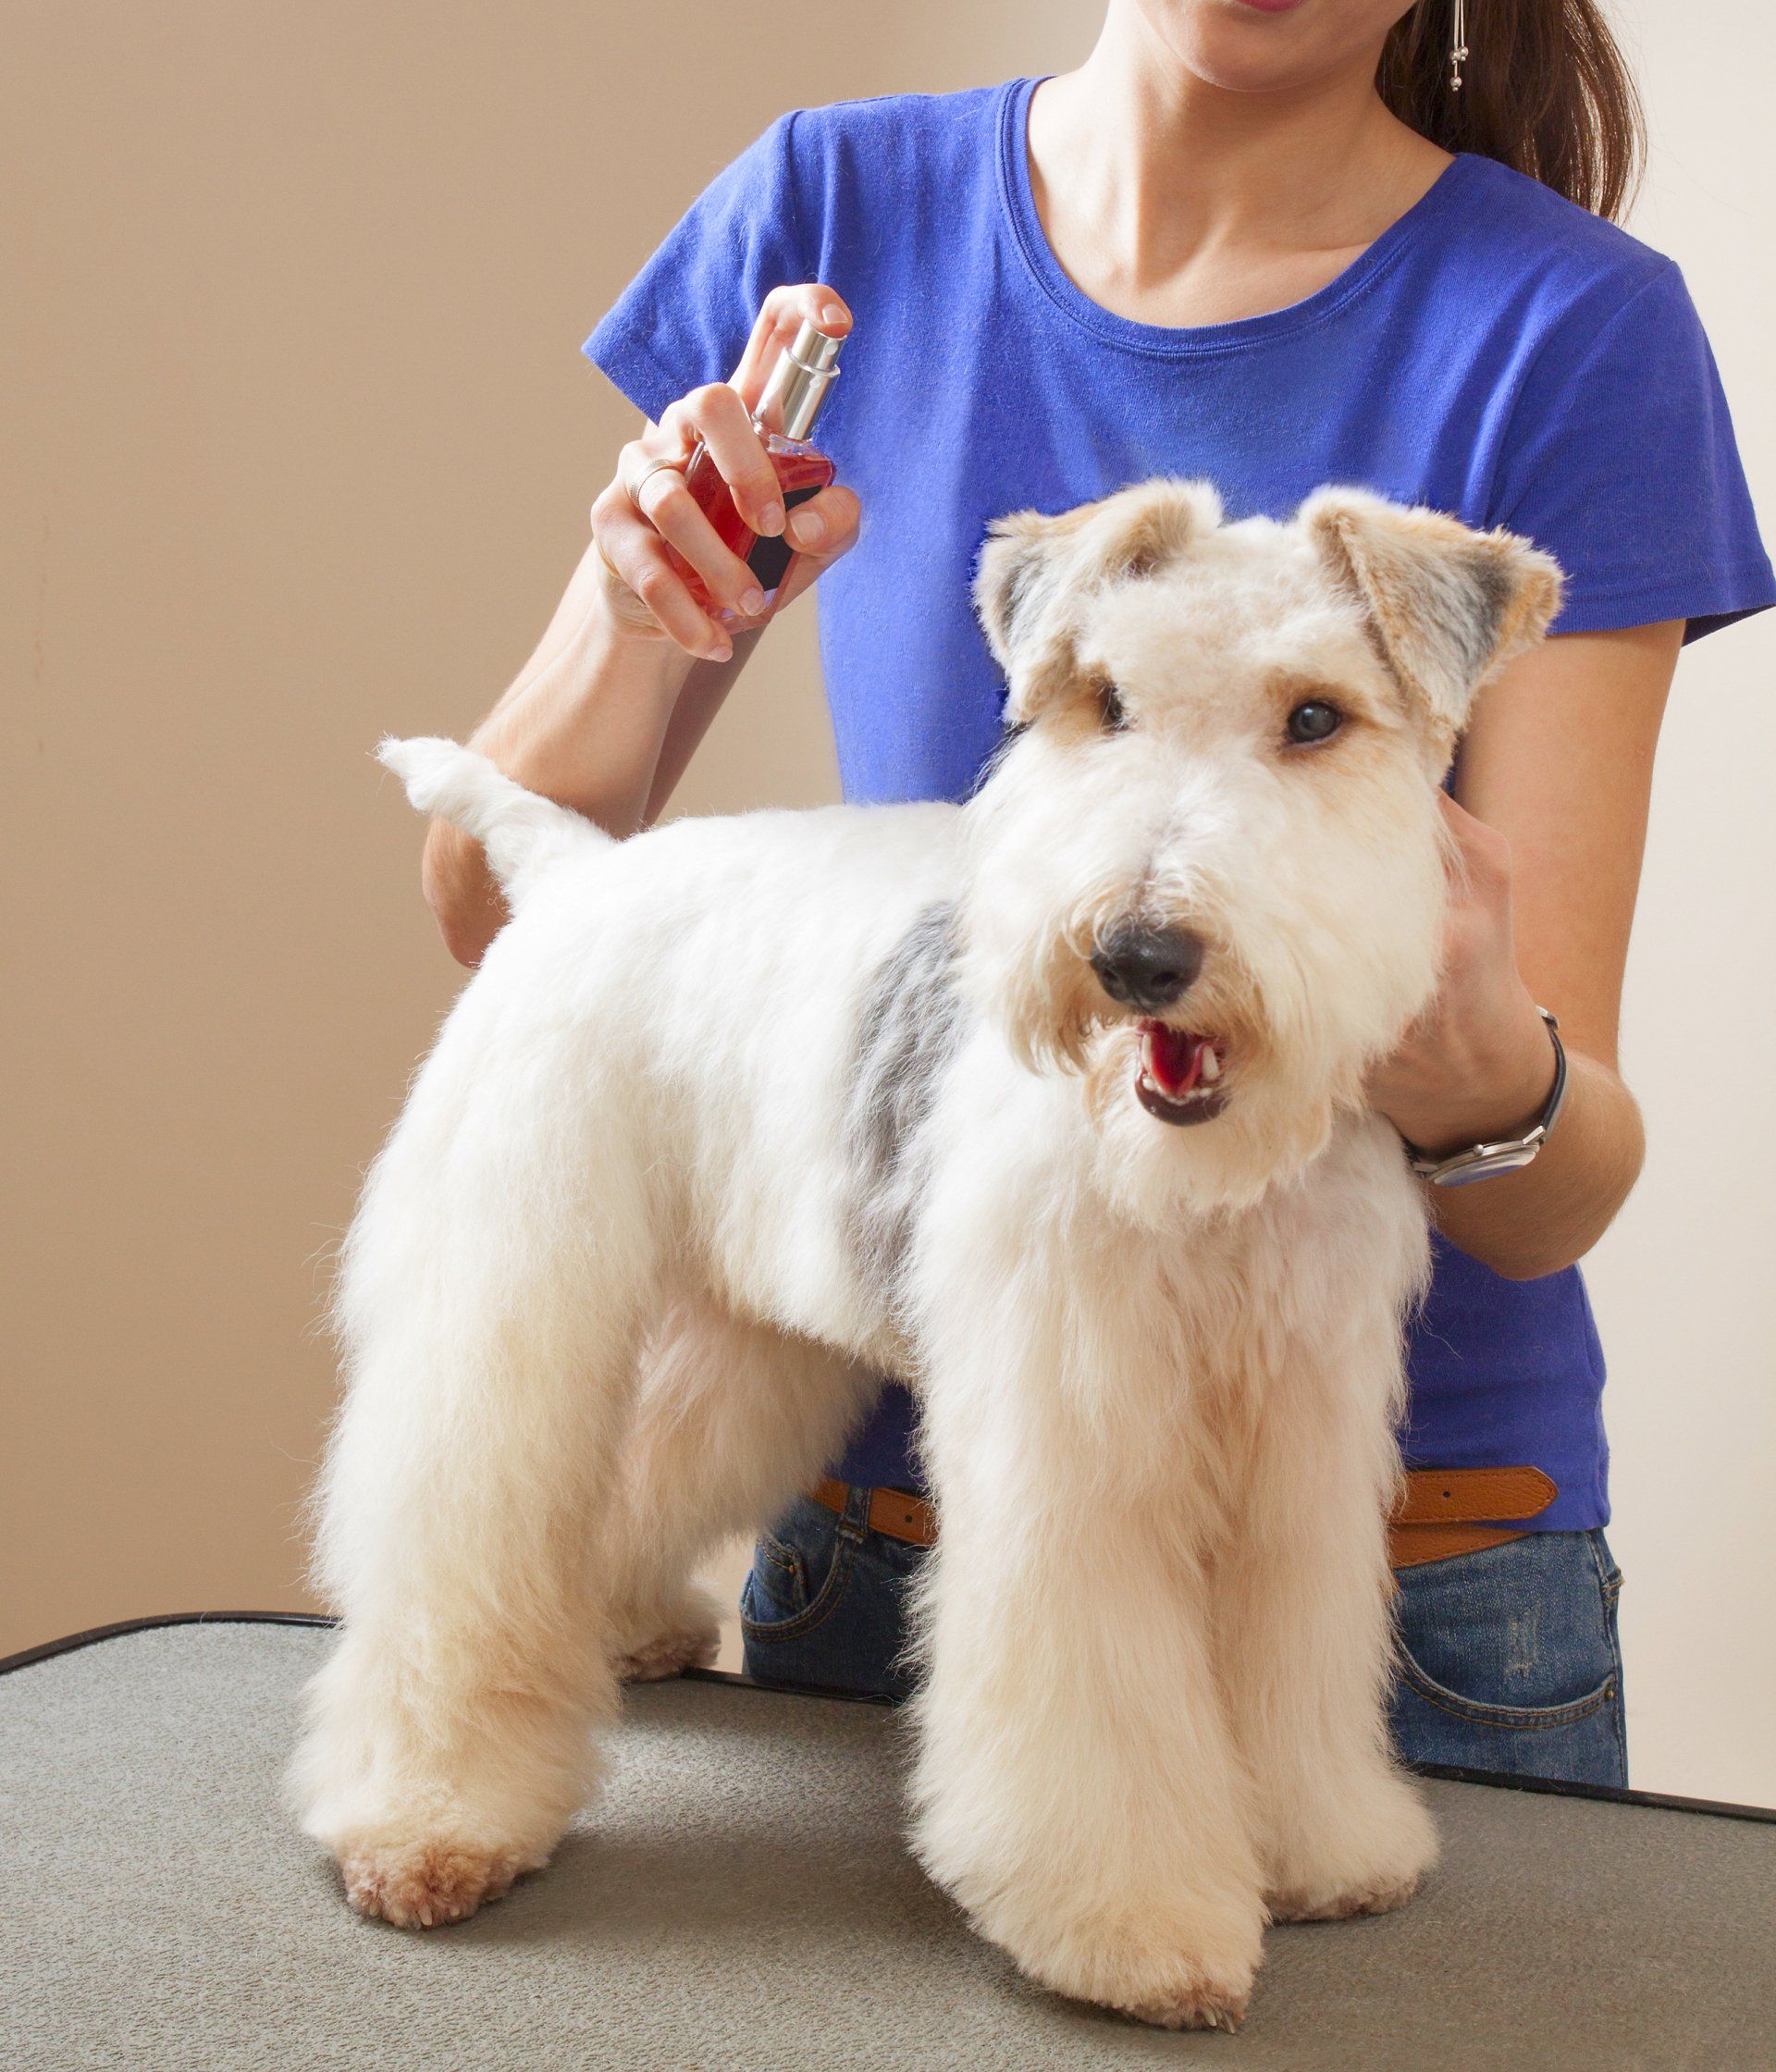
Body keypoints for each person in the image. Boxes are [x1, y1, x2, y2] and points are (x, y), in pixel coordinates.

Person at [422, 0, 1772, 1785]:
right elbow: (499, 914)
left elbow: (1552, 1194)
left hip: (1409, 1564)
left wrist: (1454, 1045)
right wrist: (635, 598)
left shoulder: (1578, 330)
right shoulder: (832, 212)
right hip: (897, 1539)